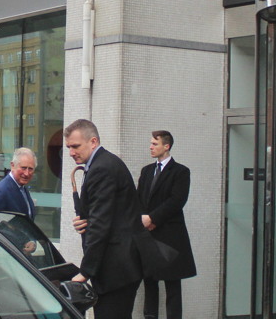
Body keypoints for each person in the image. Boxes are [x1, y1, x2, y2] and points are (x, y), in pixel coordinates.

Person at [65, 119, 145, 319]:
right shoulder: (102, 164)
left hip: (116, 269)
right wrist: (85, 221)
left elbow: (102, 224)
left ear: (93, 142)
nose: (71, 153)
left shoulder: (102, 168)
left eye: (75, 146)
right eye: (68, 147)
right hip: (119, 267)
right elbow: (107, 215)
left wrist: (86, 271)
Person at [137, 130, 196, 319]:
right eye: (151, 143)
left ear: (166, 146)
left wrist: (152, 218)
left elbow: (177, 201)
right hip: (148, 234)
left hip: (170, 234)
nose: (151, 147)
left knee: (172, 284)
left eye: (155, 144)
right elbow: (139, 199)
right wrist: (144, 219)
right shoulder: (147, 171)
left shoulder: (180, 171)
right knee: (150, 281)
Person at [0, 147, 37, 219]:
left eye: (30, 169)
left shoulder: (22, 188)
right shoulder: (0, 192)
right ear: (12, 166)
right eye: (23, 168)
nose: (27, 173)